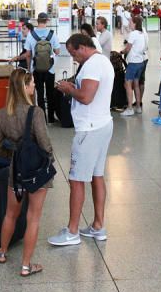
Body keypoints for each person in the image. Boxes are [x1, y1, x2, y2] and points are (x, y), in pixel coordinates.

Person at [48, 33, 114, 247]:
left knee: (76, 180)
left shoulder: (93, 65)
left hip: (89, 130)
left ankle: (72, 231)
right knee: (97, 176)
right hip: (103, 123)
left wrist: (69, 89)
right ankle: (98, 225)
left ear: (83, 47)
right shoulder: (103, 61)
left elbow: (86, 97)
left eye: (73, 53)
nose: (73, 58)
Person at [0, 69, 53, 276]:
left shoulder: (1, 114)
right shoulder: (35, 112)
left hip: (16, 169)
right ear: (25, 87)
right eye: (32, 83)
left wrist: (14, 153)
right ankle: (26, 266)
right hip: (36, 171)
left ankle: (2, 252)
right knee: (33, 217)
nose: (34, 86)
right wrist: (48, 161)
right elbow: (45, 145)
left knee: (11, 214)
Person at [22, 13, 61, 124]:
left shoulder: (31, 35)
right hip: (50, 69)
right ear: (47, 21)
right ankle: (51, 119)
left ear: (37, 21)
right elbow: (57, 51)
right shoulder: (52, 34)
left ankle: (42, 119)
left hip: (36, 69)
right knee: (50, 93)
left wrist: (29, 69)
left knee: (39, 93)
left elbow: (28, 54)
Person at [120, 16, 148, 116]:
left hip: (133, 63)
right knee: (136, 84)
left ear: (135, 23)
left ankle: (130, 108)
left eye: (131, 22)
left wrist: (121, 52)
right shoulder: (142, 33)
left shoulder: (133, 34)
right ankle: (138, 107)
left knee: (128, 84)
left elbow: (127, 48)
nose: (129, 24)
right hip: (141, 61)